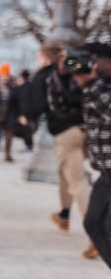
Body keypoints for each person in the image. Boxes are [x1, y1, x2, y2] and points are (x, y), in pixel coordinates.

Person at [71, 43, 111, 279]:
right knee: (94, 223)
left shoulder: (101, 89)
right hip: (106, 173)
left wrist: (93, 83)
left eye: (94, 61)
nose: (89, 66)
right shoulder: (97, 88)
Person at [46, 46, 97, 259]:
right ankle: (65, 214)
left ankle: (95, 234)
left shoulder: (68, 79)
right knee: (64, 173)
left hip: (68, 133)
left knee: (77, 181)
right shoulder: (88, 79)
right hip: (85, 130)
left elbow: (57, 106)